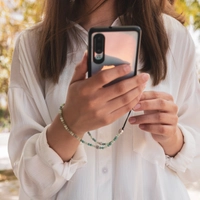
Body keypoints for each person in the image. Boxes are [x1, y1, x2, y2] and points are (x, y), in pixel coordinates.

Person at [8, 0, 200, 199]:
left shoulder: (174, 37)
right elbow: (30, 182)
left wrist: (173, 138)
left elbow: (195, 168)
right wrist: (70, 124)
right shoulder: (31, 45)